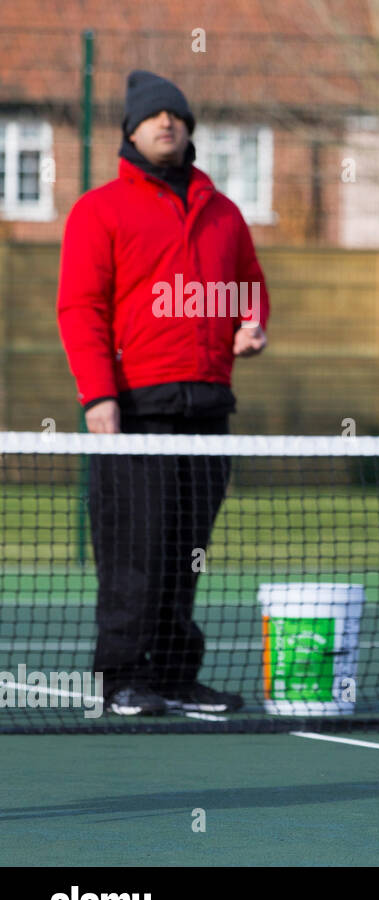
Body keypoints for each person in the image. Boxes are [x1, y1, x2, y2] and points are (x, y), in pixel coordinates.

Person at [57, 70, 270, 717]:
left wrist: (253, 323)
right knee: (133, 553)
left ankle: (177, 675)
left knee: (186, 552)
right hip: (135, 409)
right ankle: (122, 679)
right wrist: (100, 396)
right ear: (131, 130)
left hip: (207, 408)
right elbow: (80, 309)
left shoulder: (224, 214)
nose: (166, 124)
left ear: (189, 128)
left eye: (176, 115)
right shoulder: (99, 209)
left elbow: (250, 287)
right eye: (153, 117)